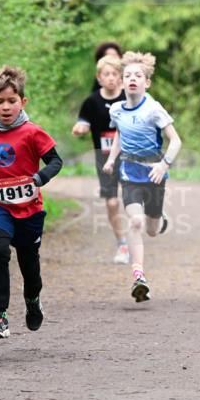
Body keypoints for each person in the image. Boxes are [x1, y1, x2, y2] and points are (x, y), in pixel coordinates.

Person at [0, 65, 63, 339]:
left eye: (12, 101)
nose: (6, 107)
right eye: (0, 101)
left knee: (29, 266)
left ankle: (32, 301)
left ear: (22, 102)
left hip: (29, 209)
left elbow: (55, 161)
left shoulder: (32, 132)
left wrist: (39, 178)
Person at [103, 51, 182, 302]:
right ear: (122, 82)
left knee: (151, 229)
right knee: (135, 223)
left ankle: (159, 219)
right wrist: (112, 158)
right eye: (127, 75)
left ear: (147, 82)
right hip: (129, 173)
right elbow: (119, 136)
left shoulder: (153, 109)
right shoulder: (116, 110)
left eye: (138, 75)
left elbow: (176, 141)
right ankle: (139, 276)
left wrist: (164, 164)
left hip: (155, 175)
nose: (132, 79)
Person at [72, 54, 129, 264]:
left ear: (121, 77)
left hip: (130, 156)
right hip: (104, 159)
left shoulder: (129, 97)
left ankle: (140, 227)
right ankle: (122, 243)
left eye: (115, 74)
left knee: (134, 197)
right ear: (99, 77)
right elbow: (83, 122)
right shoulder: (92, 101)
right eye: (107, 74)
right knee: (113, 202)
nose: (111, 78)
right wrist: (80, 128)